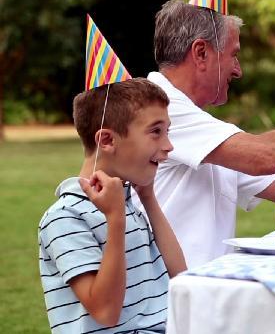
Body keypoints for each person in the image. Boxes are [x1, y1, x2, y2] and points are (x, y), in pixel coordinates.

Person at [147, 0, 275, 266]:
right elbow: (264, 156)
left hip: (207, 289)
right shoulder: (159, 107)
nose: (238, 69)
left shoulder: (206, 132)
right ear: (200, 53)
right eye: (233, 54)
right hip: (171, 298)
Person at [39, 79, 186, 333]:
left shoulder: (129, 204)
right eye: (155, 132)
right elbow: (106, 312)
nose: (168, 146)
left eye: (167, 132)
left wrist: (148, 198)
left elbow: (181, 277)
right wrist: (115, 218)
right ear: (107, 140)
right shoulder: (65, 218)